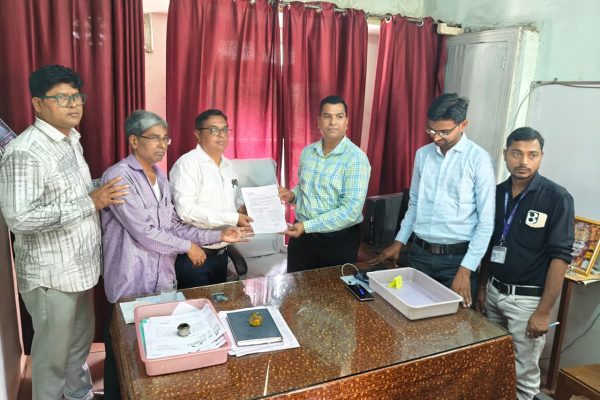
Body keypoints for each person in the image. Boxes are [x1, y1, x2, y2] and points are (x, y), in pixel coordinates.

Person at [100, 110, 250, 398]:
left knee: (159, 350)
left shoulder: (159, 177)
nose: (162, 145)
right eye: (154, 138)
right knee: (125, 356)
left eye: (165, 139)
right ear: (133, 140)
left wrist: (218, 235)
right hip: (132, 279)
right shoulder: (119, 177)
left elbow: (174, 225)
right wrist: (188, 247)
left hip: (163, 280)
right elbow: (144, 233)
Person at [0, 64, 128, 400]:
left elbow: (70, 193)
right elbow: (20, 218)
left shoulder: (71, 139)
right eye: (61, 98)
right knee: (52, 360)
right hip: (50, 276)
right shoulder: (24, 152)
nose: (73, 104)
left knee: (78, 347)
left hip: (80, 270)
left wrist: (104, 185)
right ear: (37, 104)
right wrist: (91, 202)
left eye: (76, 97)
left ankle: (79, 395)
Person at [370, 93, 495, 307]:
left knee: (452, 323)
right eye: (431, 130)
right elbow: (415, 204)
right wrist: (399, 241)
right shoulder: (423, 155)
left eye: (444, 132)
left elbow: (486, 223)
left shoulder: (479, 160)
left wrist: (466, 270)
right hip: (419, 255)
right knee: (411, 315)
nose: (436, 138)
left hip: (456, 261)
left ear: (463, 125)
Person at [476, 127, 574, 400]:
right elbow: (488, 244)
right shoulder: (496, 193)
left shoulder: (556, 198)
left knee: (524, 377)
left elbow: (560, 257)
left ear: (542, 156)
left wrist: (544, 311)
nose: (524, 161)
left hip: (527, 301)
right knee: (494, 364)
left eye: (533, 155)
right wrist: (482, 287)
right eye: (517, 153)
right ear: (505, 154)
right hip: (493, 292)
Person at [279, 95, 371, 272]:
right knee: (296, 287)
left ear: (347, 122)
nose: (333, 122)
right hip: (301, 239)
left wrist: (307, 226)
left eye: (339, 116)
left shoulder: (356, 159)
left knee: (332, 289)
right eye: (327, 116)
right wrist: (291, 195)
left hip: (336, 242)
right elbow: (304, 187)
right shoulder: (308, 152)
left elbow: (351, 211)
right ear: (319, 121)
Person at [170, 109, 252, 288]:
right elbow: (186, 211)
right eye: (214, 130)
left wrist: (241, 210)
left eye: (225, 130)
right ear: (198, 134)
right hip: (195, 255)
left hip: (222, 253)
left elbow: (233, 201)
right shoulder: (187, 164)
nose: (222, 135)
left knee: (218, 304)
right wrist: (234, 217)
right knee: (196, 305)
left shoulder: (228, 166)